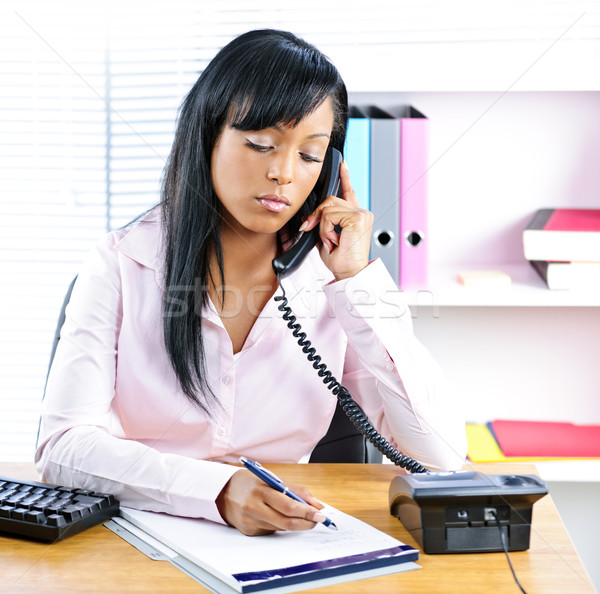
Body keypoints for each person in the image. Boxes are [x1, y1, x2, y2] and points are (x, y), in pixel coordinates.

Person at [35, 29, 467, 536]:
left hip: (282, 537)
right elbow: (61, 447)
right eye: (261, 144)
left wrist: (356, 280)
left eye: (310, 156)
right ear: (208, 136)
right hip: (137, 536)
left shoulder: (331, 281)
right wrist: (216, 491)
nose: (284, 173)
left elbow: (439, 457)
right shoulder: (120, 264)